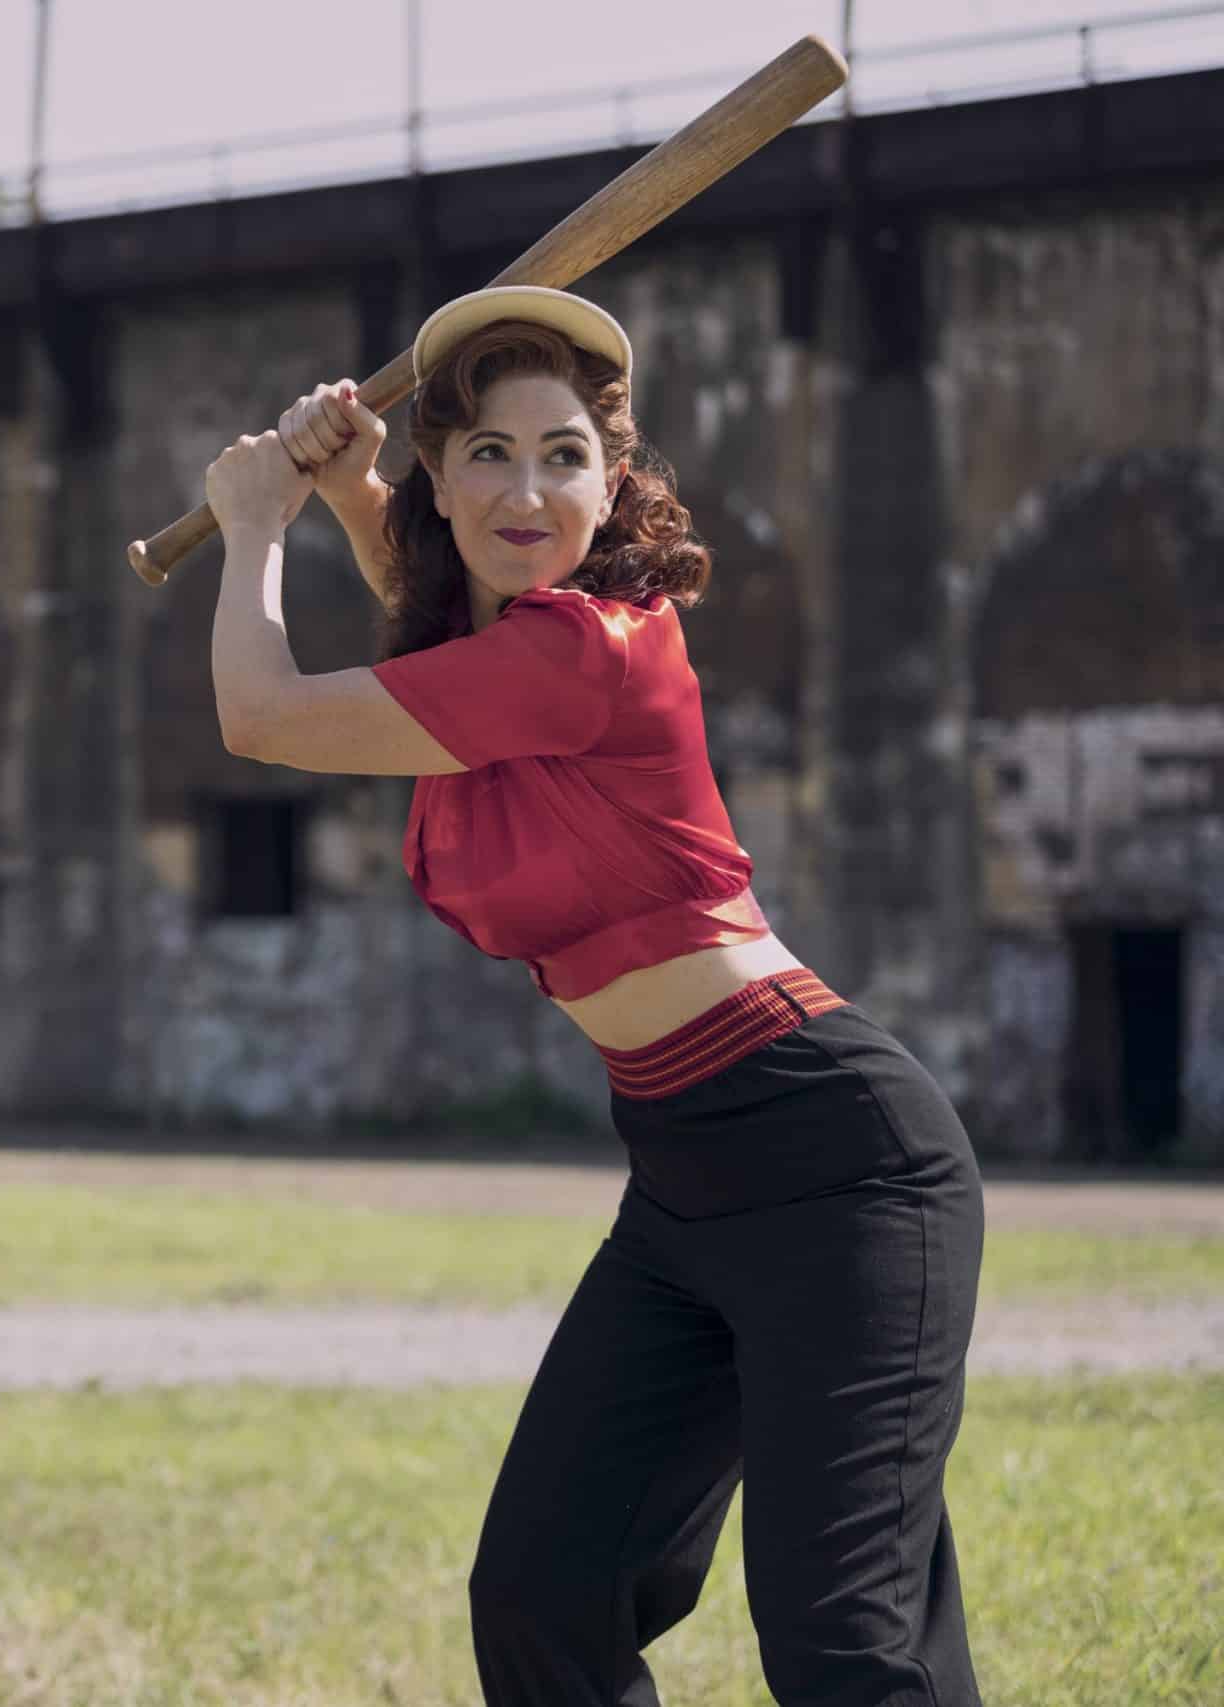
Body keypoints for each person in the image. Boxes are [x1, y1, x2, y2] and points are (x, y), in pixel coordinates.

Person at [205, 286, 985, 1705]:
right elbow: (435, 582)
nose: (529, 487)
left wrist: (257, 515)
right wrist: (346, 484)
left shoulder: (591, 650)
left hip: (836, 1158)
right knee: (543, 1590)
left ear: (611, 481)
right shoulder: (496, 652)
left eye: (565, 453)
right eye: (489, 454)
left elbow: (257, 714)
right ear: (442, 479)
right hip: (683, 1181)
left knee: (842, 1638)